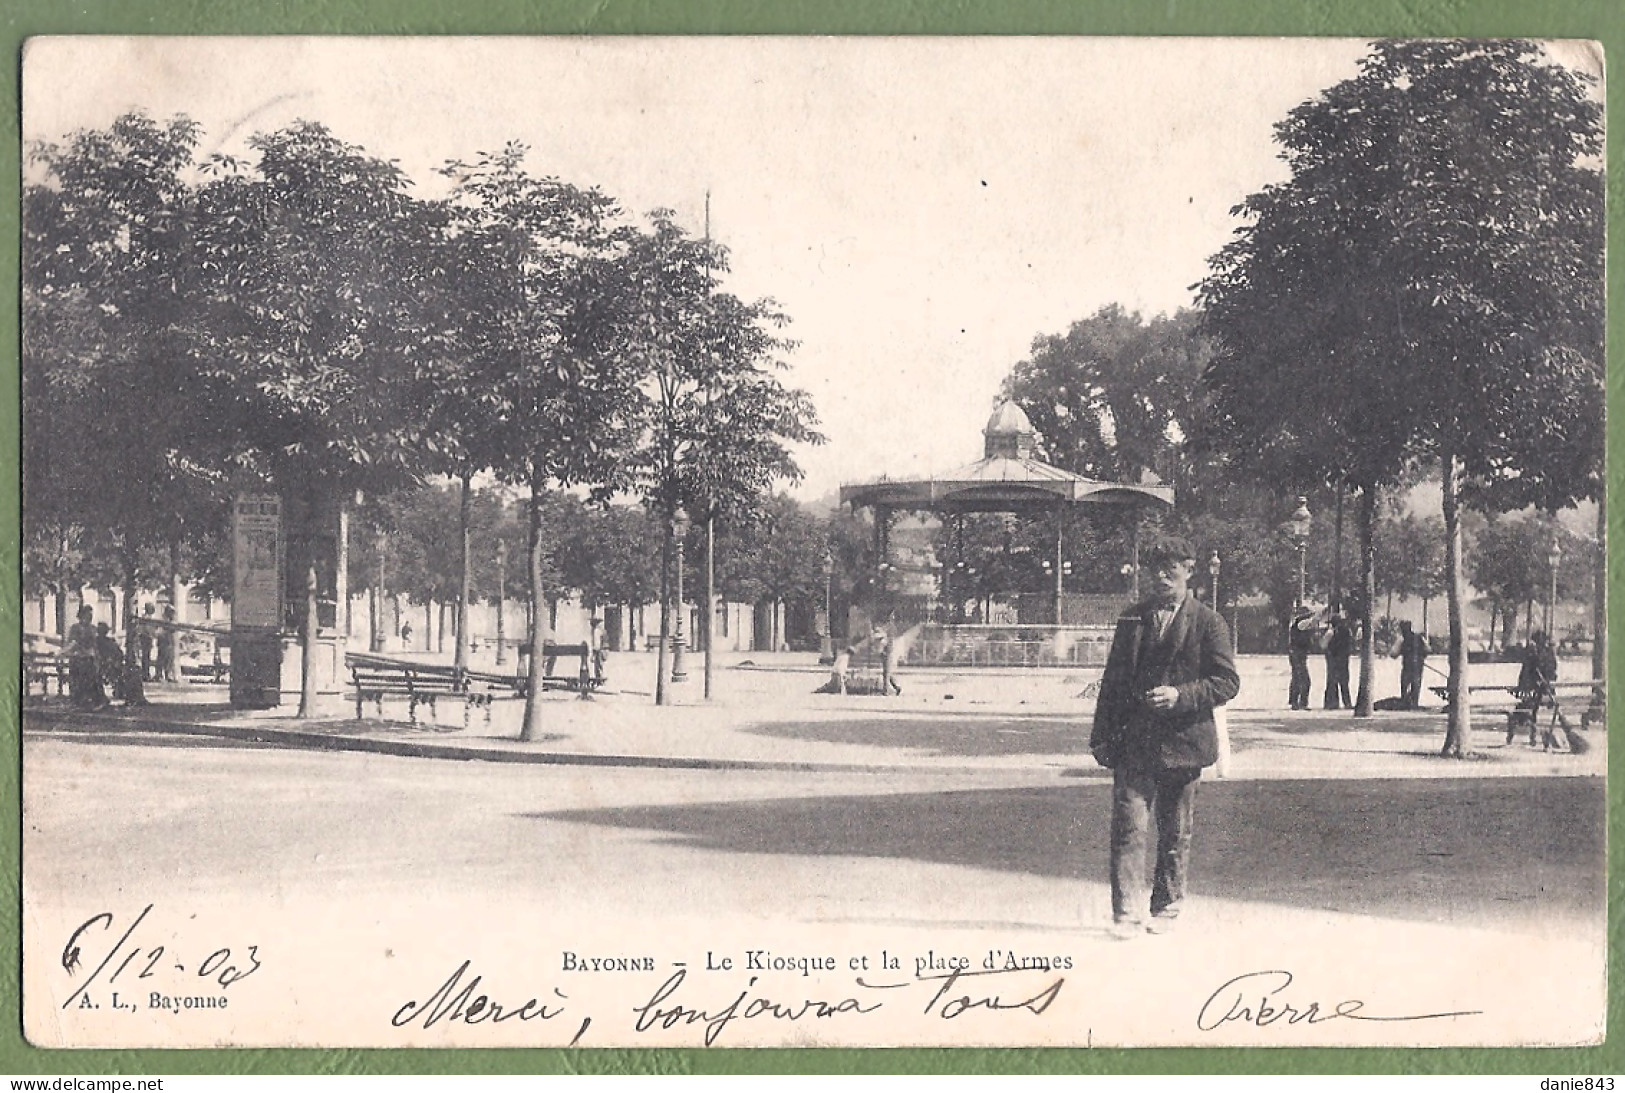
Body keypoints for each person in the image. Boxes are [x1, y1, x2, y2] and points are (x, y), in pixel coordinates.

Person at [1089, 535, 1240, 939]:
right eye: (1153, 569)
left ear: (1189, 571)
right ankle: (1125, 913)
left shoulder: (1209, 622)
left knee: (1174, 831)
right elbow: (1112, 683)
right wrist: (1101, 737)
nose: (1161, 577)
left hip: (1184, 742)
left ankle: (1167, 906)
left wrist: (1181, 695)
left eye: (1170, 569)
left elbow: (1226, 682)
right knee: (1127, 826)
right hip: (1134, 742)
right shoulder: (1131, 619)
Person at [1510, 630, 1564, 747]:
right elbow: (1526, 673)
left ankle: (1532, 735)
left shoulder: (1542, 655)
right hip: (1538, 689)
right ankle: (1532, 735)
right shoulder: (1538, 654)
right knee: (1529, 710)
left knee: (1528, 711)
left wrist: (1544, 682)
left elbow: (1550, 672)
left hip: (1541, 690)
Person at [65, 605, 106, 709]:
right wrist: (65, 652)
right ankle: (79, 702)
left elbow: (95, 645)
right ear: (81, 616)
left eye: (90, 616)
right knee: (77, 681)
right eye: (87, 615)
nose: (89, 618)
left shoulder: (92, 628)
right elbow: (72, 642)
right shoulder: (75, 628)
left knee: (91, 681)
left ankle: (94, 702)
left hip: (89, 658)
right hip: (78, 658)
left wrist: (97, 657)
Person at [1287, 607, 1316, 710]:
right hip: (1298, 655)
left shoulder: (1297, 625)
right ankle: (1301, 702)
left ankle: (1295, 701)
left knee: (1297, 678)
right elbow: (1312, 620)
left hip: (1297, 654)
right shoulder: (1300, 625)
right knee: (1303, 679)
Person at [1323, 611, 1353, 709]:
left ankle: (1332, 703)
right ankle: (1347, 703)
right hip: (1343, 659)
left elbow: (1323, 645)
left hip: (1333, 659)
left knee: (1332, 682)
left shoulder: (1330, 632)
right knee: (1344, 682)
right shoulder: (1347, 631)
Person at [1397, 621, 1428, 709]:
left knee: (1404, 686)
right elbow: (1428, 649)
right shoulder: (1420, 638)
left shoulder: (1402, 639)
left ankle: (1405, 704)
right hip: (1418, 667)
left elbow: (1393, 654)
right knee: (1416, 686)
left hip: (1407, 667)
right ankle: (1414, 704)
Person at [95, 622, 124, 702]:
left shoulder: (110, 641)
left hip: (109, 663)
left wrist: (115, 660)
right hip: (101, 663)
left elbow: (119, 653)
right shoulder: (96, 641)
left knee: (116, 671)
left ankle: (119, 690)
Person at [155, 604, 180, 683]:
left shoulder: (170, 620)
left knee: (169, 659)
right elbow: (160, 631)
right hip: (163, 641)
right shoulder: (163, 620)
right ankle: (159, 675)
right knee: (162, 658)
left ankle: (168, 675)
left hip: (169, 642)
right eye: (171, 612)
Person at [138, 603, 156, 680]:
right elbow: (147, 629)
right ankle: (145, 674)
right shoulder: (146, 618)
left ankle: (145, 673)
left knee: (146, 657)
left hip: (147, 638)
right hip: (146, 638)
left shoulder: (148, 618)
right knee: (146, 657)